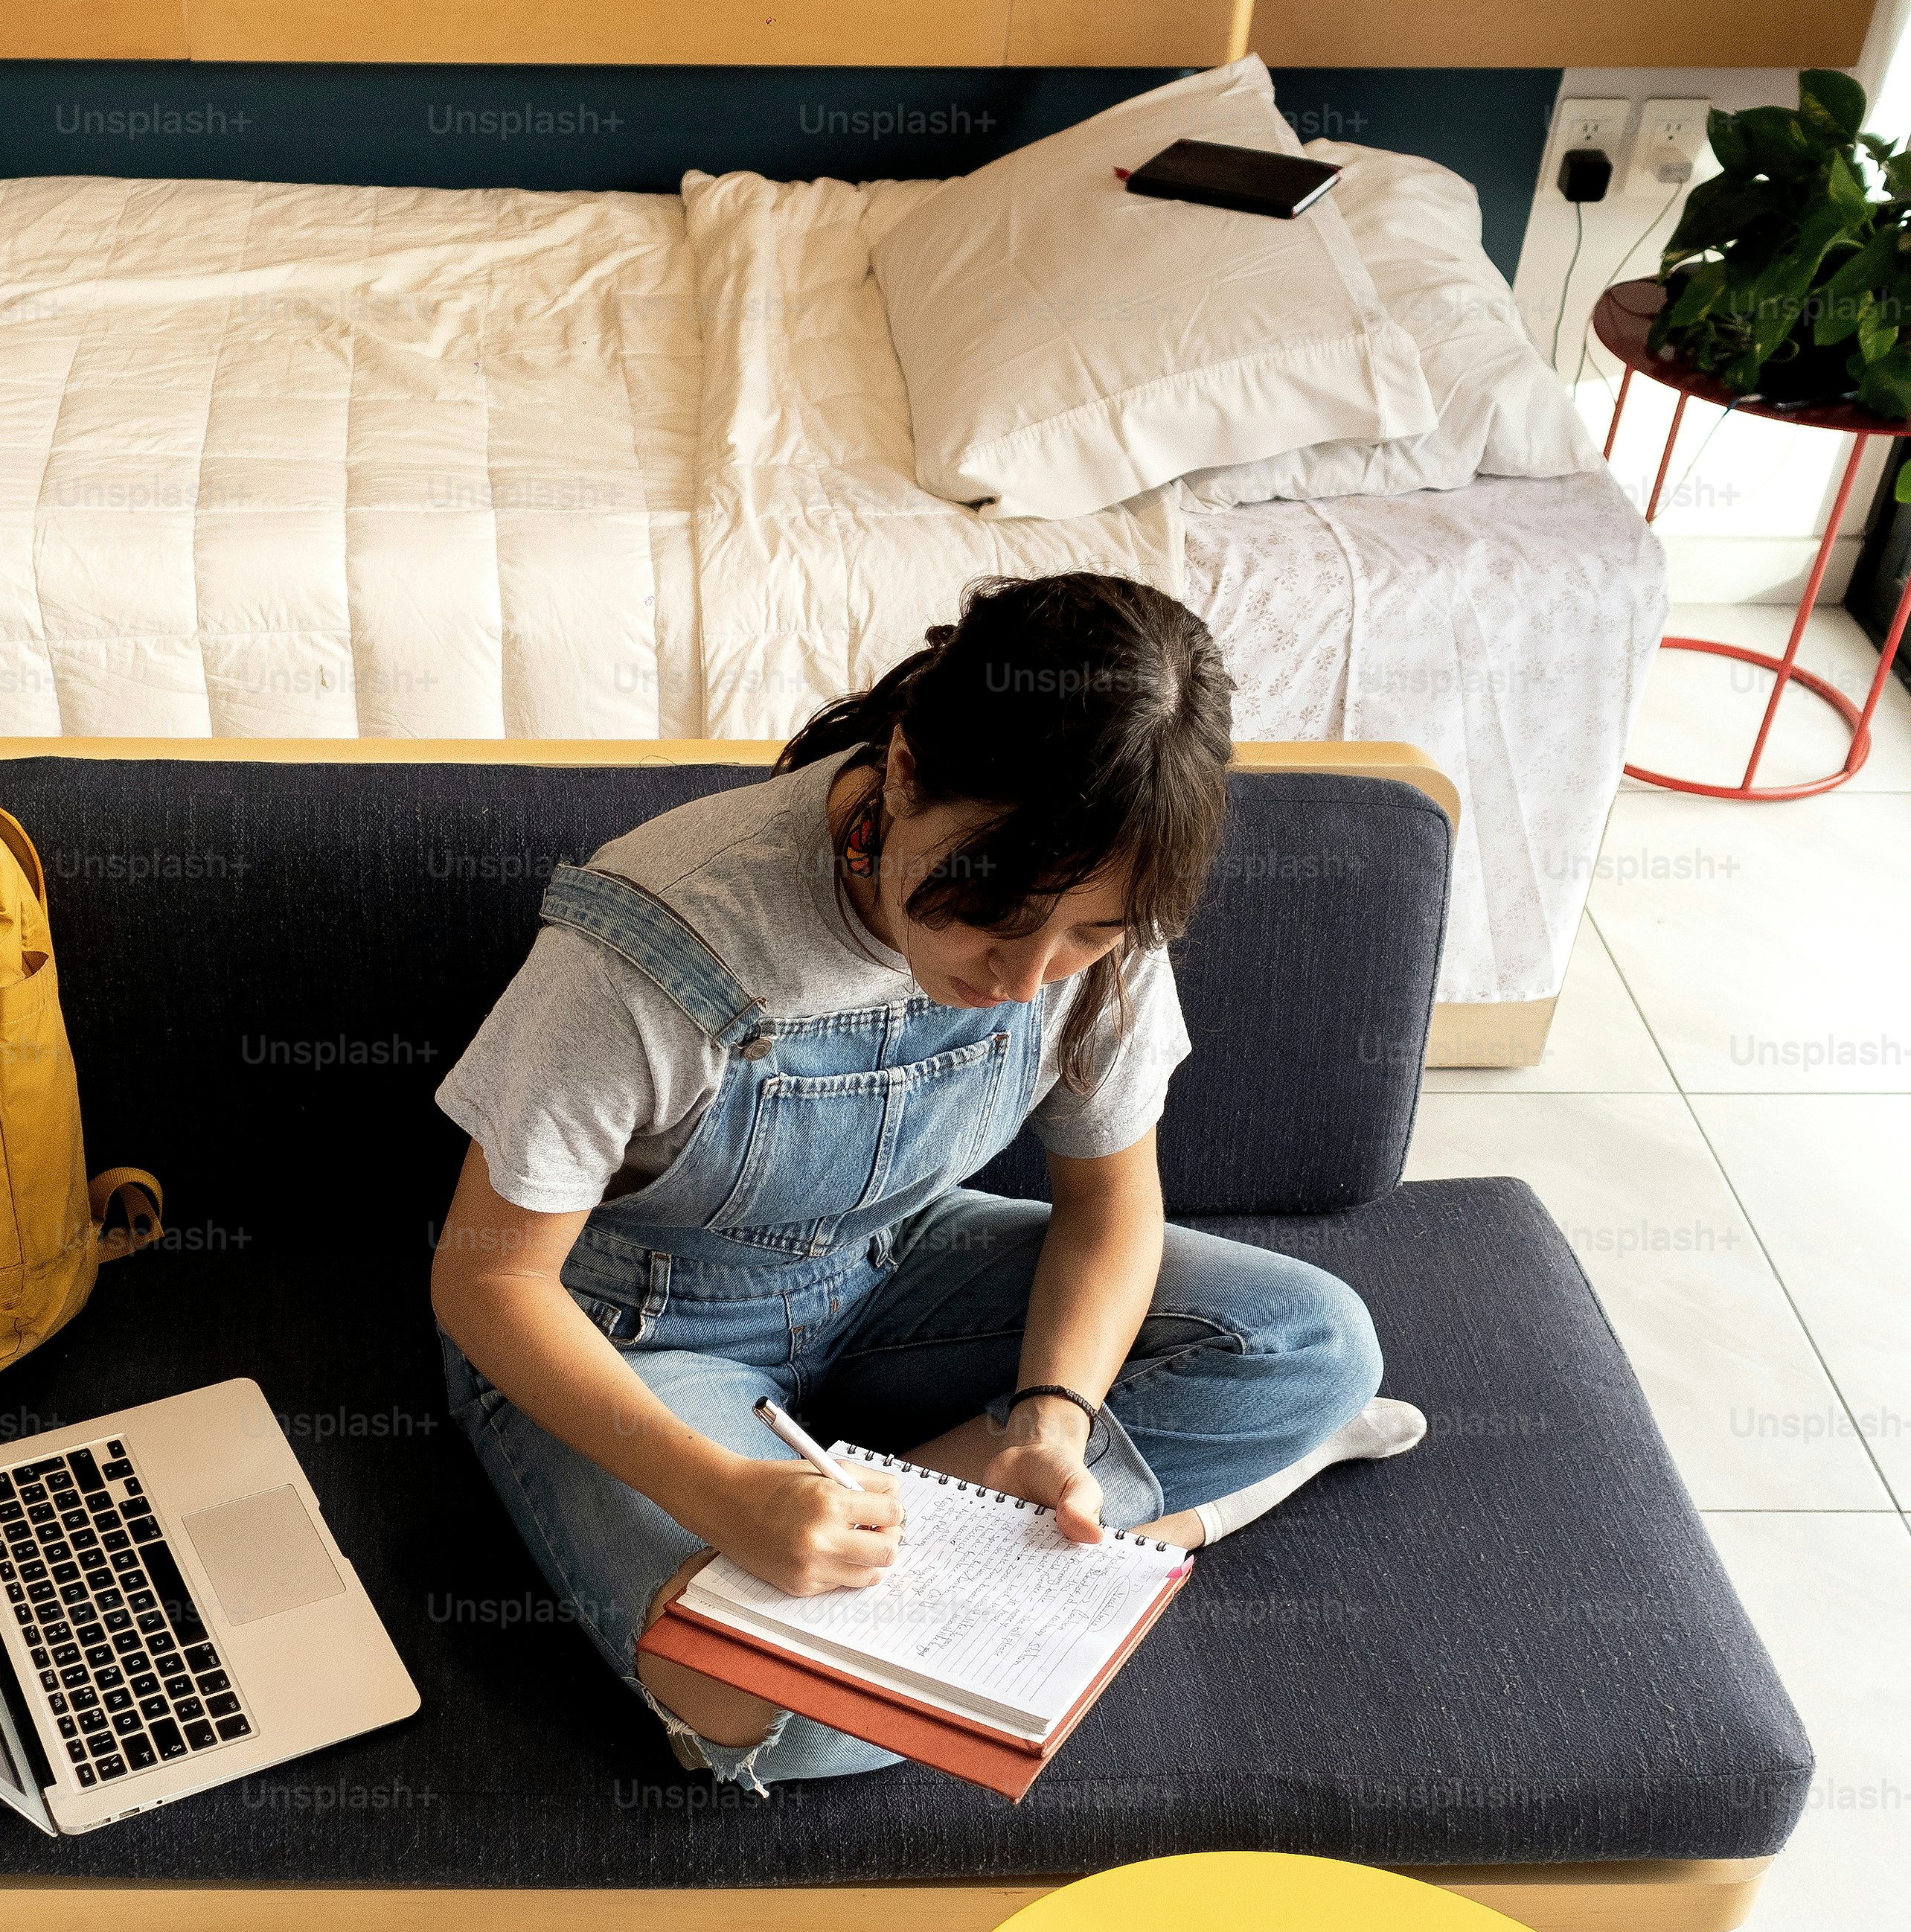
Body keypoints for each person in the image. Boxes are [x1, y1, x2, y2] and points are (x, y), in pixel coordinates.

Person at [427, 572, 1422, 1788]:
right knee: (776, 1715)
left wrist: (1054, 1411)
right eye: (992, 916)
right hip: (629, 1329)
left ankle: (932, 1517)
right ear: (903, 772)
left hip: (889, 1266)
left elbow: (1111, 1210)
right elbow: (487, 1281)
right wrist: (724, 1495)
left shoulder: (1107, 913)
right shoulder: (658, 940)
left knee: (1312, 1341)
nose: (1029, 976)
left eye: (1088, 937)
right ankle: (1113, 1529)